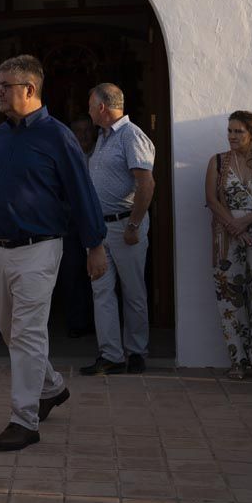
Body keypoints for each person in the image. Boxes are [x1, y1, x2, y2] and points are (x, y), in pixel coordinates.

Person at [0, 55, 107, 452]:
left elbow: (83, 193)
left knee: (27, 334)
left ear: (29, 90)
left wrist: (95, 246)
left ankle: (23, 420)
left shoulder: (57, 136)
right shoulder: (0, 135)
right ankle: (51, 387)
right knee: (11, 330)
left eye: (4, 85)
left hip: (39, 250)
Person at [80, 83, 156, 376]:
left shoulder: (131, 136)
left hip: (126, 225)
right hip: (100, 228)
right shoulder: (103, 138)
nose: (88, 112)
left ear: (102, 107)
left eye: (90, 105)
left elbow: (146, 184)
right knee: (101, 290)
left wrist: (134, 224)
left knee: (133, 290)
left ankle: (136, 351)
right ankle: (110, 354)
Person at [205, 111, 252, 381]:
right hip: (227, 238)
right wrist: (234, 227)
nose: (232, 136)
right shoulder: (217, 161)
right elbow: (213, 201)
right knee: (229, 296)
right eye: (229, 131)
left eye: (238, 131)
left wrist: (246, 222)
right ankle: (237, 360)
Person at [54, 113, 97, 339]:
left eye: (87, 130)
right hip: (70, 224)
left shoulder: (101, 155)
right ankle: (76, 322)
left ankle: (98, 322)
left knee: (99, 274)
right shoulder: (64, 158)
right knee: (71, 273)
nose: (83, 135)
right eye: (78, 131)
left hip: (96, 221)